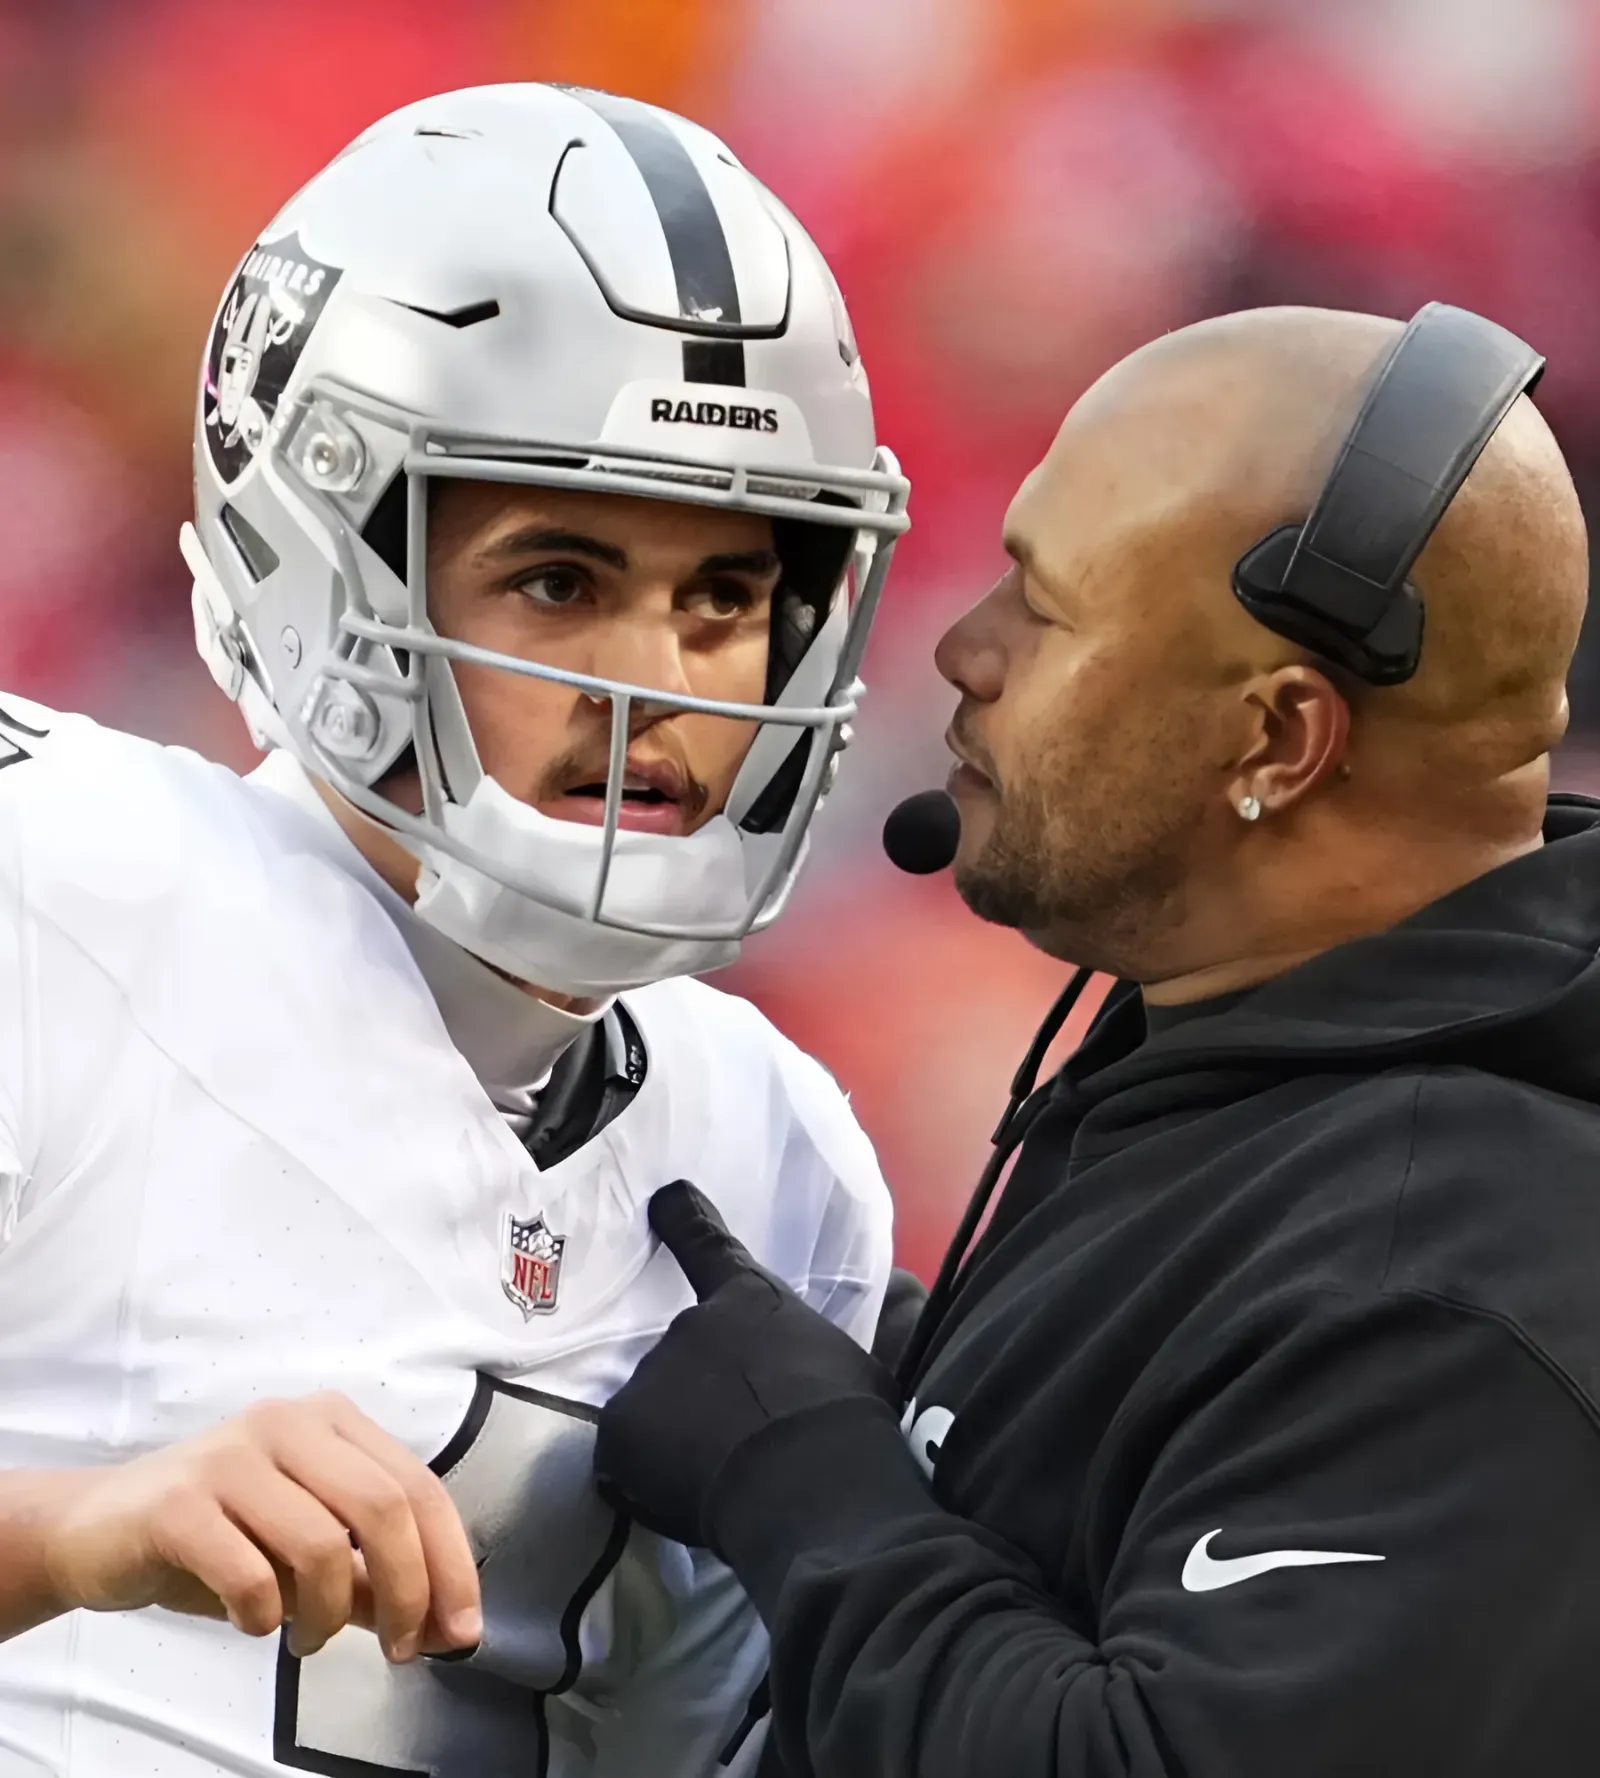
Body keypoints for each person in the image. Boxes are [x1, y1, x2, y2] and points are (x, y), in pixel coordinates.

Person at [0, 82, 910, 1778]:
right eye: (560, 580)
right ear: (332, 558)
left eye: (724, 598)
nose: (660, 682)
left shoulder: (780, 1155)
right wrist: (69, 1535)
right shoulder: (52, 890)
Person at [594, 302, 1600, 1776]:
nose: (964, 647)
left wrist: (804, 1482)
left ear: (1275, 742)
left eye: (1042, 607)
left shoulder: (1454, 1272)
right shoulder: (1247, 1047)